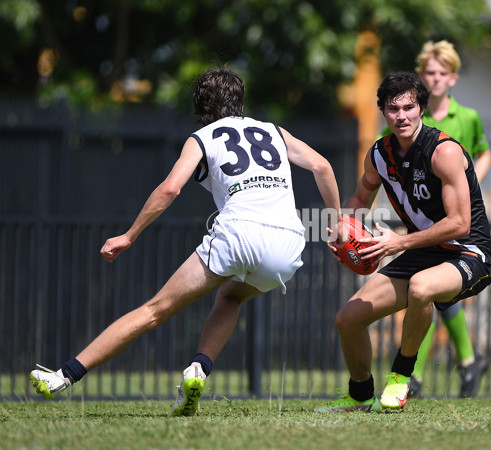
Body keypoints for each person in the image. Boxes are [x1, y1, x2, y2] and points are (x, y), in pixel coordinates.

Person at [29, 67, 343, 416]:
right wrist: (338, 222)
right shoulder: (273, 131)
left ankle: (64, 376)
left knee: (154, 310)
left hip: (239, 233)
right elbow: (323, 167)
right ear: (240, 102)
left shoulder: (203, 137)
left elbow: (170, 188)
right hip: (288, 244)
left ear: (200, 106)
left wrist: (129, 235)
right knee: (232, 295)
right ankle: (199, 368)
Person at [317, 71, 491, 413]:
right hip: (423, 251)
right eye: (393, 108)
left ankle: (401, 376)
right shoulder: (379, 155)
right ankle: (360, 395)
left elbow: (460, 224)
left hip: (470, 252)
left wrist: (399, 243)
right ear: (383, 112)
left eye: (409, 107)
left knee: (421, 287)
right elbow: (360, 198)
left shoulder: (444, 152)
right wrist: (343, 230)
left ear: (422, 109)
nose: (402, 116)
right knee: (347, 319)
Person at [380, 40, 491, 399]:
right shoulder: (405, 120)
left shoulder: (466, 118)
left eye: (441, 73)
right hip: (423, 224)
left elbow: (482, 155)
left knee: (431, 292)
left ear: (453, 78)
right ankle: (465, 362)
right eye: (429, 73)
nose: (435, 78)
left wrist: (471, 188)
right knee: (430, 294)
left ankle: (416, 375)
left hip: (460, 223)